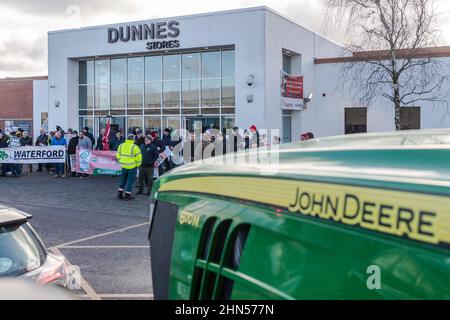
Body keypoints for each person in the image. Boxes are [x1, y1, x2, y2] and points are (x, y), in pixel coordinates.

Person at [116, 134, 142, 201]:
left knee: (123, 180)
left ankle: (120, 193)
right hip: (132, 166)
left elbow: (117, 154)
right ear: (133, 139)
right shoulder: (135, 147)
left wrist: (121, 160)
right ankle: (127, 195)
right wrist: (138, 165)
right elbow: (139, 157)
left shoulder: (121, 145)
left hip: (124, 166)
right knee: (130, 181)